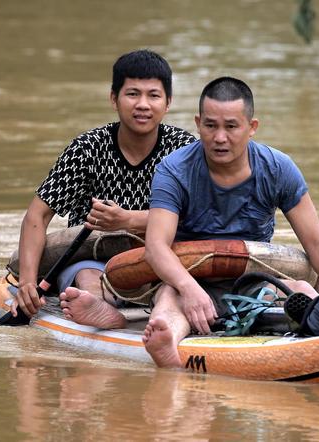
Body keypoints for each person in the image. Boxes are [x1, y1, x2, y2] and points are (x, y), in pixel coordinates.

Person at [141, 77, 319, 368]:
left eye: (231, 127)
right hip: (189, 279)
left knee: (300, 290)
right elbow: (156, 246)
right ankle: (167, 343)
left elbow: (316, 241)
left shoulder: (278, 168)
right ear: (198, 124)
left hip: (254, 281)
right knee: (169, 299)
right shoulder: (173, 170)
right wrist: (189, 288)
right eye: (210, 126)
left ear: (252, 127)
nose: (220, 137)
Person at [10, 49, 196, 328]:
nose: (143, 104)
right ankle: (97, 308)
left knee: (174, 281)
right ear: (114, 99)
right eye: (132, 94)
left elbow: (200, 215)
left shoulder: (184, 150)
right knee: (86, 278)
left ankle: (165, 316)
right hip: (92, 258)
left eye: (153, 95)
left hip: (160, 257)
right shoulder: (87, 148)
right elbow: (37, 216)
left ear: (168, 103)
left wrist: (129, 220)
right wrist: (26, 283)